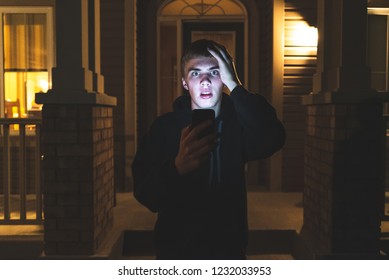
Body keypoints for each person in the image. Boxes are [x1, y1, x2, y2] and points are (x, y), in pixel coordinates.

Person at [132, 39, 286, 259]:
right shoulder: (164, 128)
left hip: (229, 252)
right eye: (195, 73)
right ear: (184, 82)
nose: (204, 81)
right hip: (175, 253)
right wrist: (175, 168)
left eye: (214, 72)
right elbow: (146, 194)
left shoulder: (239, 124)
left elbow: (273, 138)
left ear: (223, 78)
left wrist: (236, 86)